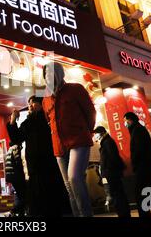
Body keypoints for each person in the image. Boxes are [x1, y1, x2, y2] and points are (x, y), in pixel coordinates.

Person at [42, 62, 95, 217]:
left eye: (51, 73)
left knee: (75, 178)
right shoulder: (46, 99)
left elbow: (90, 113)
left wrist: (86, 132)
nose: (48, 77)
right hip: (59, 147)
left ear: (59, 74)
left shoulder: (75, 89)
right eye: (45, 74)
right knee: (69, 187)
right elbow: (49, 121)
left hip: (78, 140)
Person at [6, 96, 66, 216]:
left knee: (52, 192)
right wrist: (12, 121)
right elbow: (17, 138)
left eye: (33, 103)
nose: (30, 106)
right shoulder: (28, 122)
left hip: (50, 160)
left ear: (41, 104)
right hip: (35, 165)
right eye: (29, 104)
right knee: (38, 194)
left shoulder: (49, 117)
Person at [93, 126, 130, 217]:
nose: (95, 136)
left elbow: (113, 157)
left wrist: (108, 169)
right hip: (111, 172)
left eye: (96, 133)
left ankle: (123, 214)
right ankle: (123, 213)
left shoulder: (107, 142)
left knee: (117, 194)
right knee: (117, 193)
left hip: (112, 173)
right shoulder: (106, 141)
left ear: (101, 133)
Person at [4, 140, 27, 217]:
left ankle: (20, 212)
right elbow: (18, 162)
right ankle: (13, 211)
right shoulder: (16, 148)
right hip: (16, 176)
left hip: (11, 176)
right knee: (22, 195)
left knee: (19, 194)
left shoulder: (9, 150)